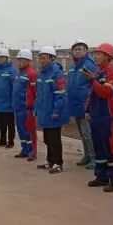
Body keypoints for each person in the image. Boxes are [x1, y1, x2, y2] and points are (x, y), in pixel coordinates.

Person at [85, 43, 113, 192]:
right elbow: (92, 94)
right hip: (96, 116)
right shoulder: (98, 73)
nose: (96, 56)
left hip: (108, 117)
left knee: (111, 150)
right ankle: (101, 176)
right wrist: (87, 109)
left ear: (108, 57)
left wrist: (92, 80)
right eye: (96, 54)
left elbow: (105, 92)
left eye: (99, 54)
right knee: (99, 148)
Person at [35, 46, 69, 174]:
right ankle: (50, 161)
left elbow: (60, 95)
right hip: (45, 111)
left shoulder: (57, 74)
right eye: (40, 58)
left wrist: (56, 111)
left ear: (51, 58)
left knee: (54, 139)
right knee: (47, 139)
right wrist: (37, 108)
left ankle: (58, 163)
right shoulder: (41, 73)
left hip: (54, 112)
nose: (41, 61)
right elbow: (39, 93)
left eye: (44, 58)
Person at [67, 39, 98, 170]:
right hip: (75, 104)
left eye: (80, 49)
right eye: (75, 49)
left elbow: (93, 83)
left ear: (86, 51)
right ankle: (87, 155)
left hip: (85, 104)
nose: (77, 51)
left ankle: (94, 157)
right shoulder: (72, 67)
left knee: (87, 133)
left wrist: (89, 104)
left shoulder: (89, 65)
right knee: (82, 133)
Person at [12, 49, 38, 161]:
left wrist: (34, 107)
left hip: (27, 108)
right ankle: (24, 149)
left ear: (28, 60)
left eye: (21, 60)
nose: (19, 62)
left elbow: (35, 92)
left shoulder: (31, 73)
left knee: (29, 131)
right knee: (21, 130)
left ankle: (32, 151)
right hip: (18, 107)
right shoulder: (18, 73)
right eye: (18, 60)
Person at [0, 48, 18, 148]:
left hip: (8, 102)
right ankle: (2, 140)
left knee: (10, 123)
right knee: (1, 123)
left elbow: (15, 87)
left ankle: (11, 141)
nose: (0, 59)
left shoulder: (12, 70)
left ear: (7, 58)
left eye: (2, 57)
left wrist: (13, 101)